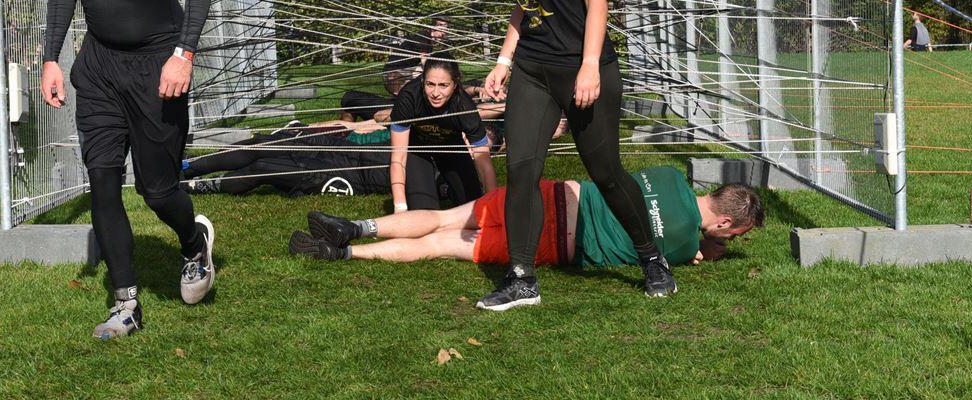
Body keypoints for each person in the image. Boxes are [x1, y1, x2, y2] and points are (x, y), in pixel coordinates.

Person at [38, 0, 216, 339]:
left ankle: (193, 244)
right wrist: (50, 58)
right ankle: (125, 303)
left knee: (157, 191)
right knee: (102, 180)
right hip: (98, 66)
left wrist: (183, 54)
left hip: (158, 62)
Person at [479, 0, 675, 308]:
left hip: (584, 68)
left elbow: (598, 0)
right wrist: (504, 61)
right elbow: (524, 1)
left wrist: (589, 67)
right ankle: (521, 278)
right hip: (533, 69)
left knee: (605, 172)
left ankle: (651, 256)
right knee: (521, 169)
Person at [290, 166, 764, 309]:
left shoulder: (670, 175)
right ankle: (343, 253)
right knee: (441, 245)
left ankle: (356, 227)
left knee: (443, 217)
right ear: (724, 224)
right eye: (734, 236)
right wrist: (705, 251)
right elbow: (682, 249)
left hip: (550, 194)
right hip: (554, 241)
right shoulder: (682, 246)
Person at [184, 120, 394, 197]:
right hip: (349, 150)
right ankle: (186, 168)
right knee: (266, 143)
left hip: (355, 178)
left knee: (266, 167)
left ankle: (196, 185)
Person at [390, 58, 495, 211]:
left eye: (443, 85)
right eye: (430, 84)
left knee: (473, 205)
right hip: (417, 148)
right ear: (422, 81)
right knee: (425, 213)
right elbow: (398, 157)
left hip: (450, 145)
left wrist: (493, 205)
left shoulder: (465, 107)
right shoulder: (409, 97)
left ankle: (447, 188)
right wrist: (399, 206)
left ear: (455, 84)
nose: (435, 93)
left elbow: (484, 164)